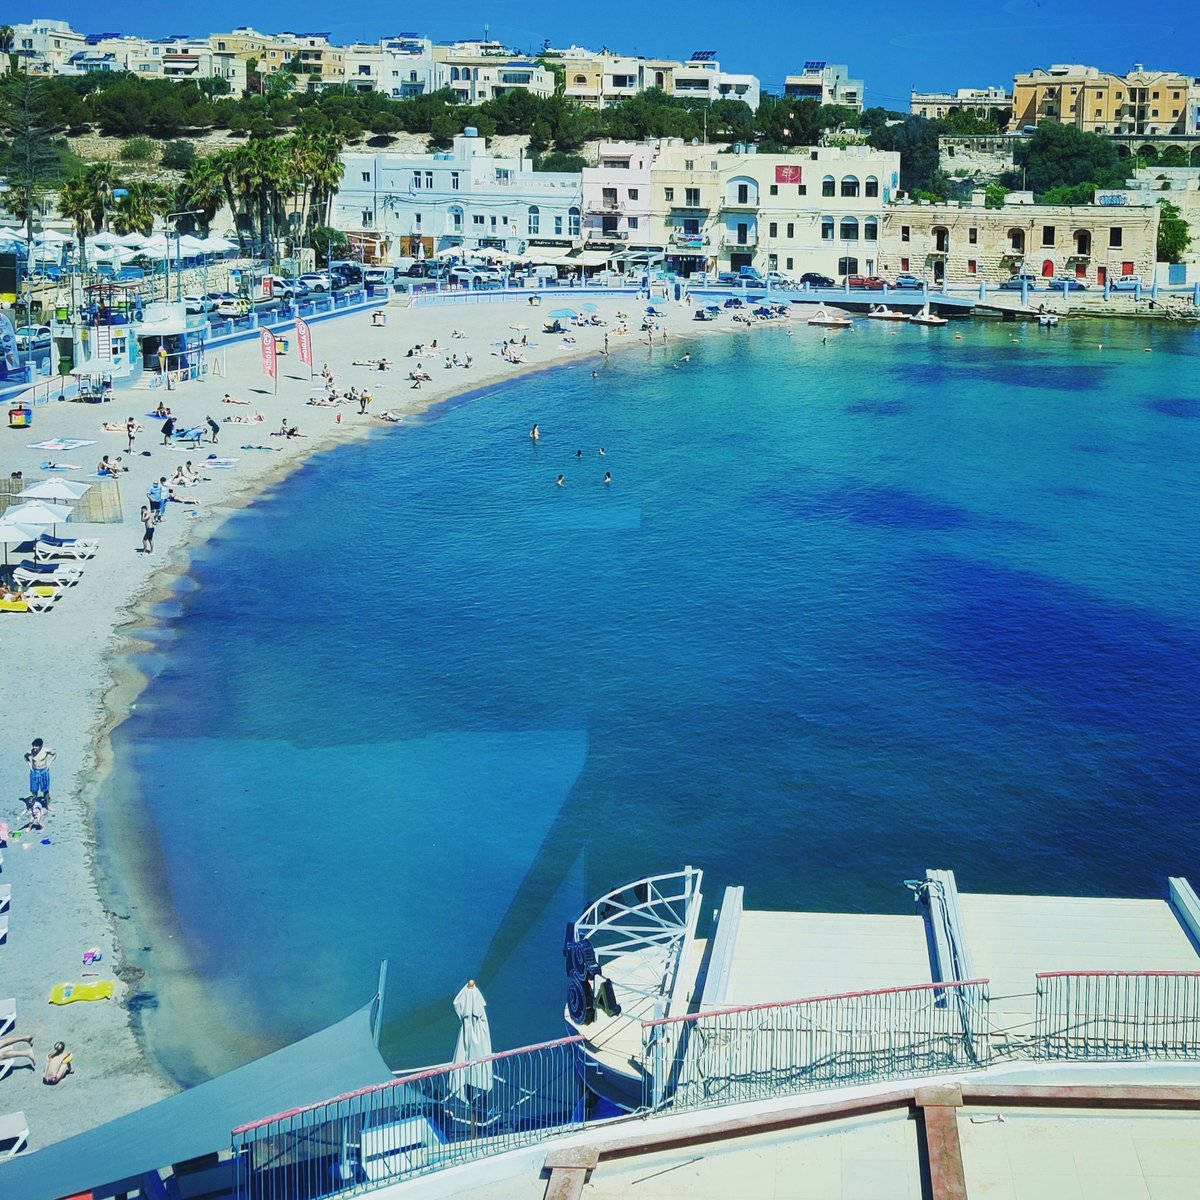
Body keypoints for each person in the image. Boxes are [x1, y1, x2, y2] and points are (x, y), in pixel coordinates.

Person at [25, 738, 56, 806]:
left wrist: (49, 764)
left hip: (43, 771)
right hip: (34, 771)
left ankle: (48, 804)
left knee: (45, 789)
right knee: (34, 789)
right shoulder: (31, 751)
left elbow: (54, 754)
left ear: (40, 746)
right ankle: (34, 804)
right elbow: (25, 757)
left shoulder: (46, 750)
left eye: (36, 746)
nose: (34, 747)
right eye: (33, 746)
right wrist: (30, 765)